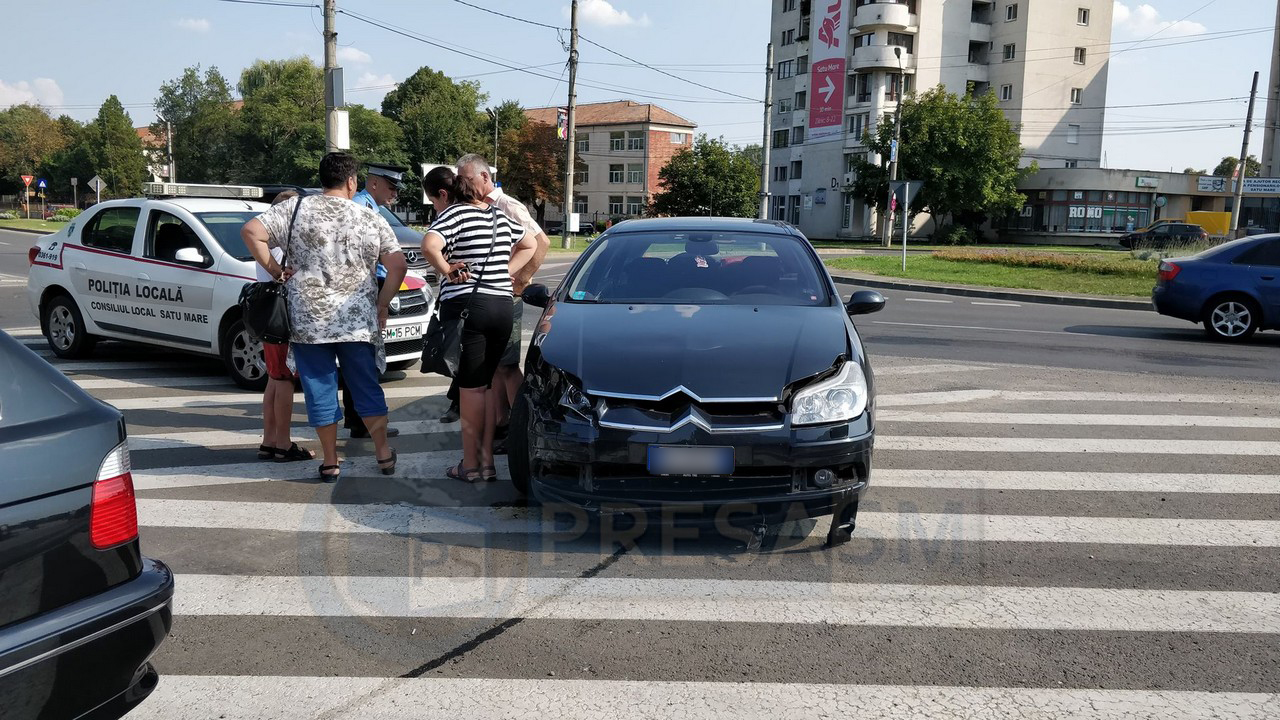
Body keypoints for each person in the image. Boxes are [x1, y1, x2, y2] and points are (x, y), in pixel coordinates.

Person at [241, 152, 407, 482]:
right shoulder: (368, 217)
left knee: (320, 389)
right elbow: (398, 265)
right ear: (351, 181)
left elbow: (251, 232)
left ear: (322, 180)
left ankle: (331, 462)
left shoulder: (294, 209)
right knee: (365, 386)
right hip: (356, 320)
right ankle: (383, 453)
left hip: (309, 321)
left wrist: (275, 270)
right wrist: (383, 303)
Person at [421, 165, 536, 482]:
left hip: (468, 307)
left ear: (454, 193)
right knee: (485, 387)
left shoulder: (454, 215)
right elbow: (531, 244)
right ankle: (486, 464)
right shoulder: (500, 217)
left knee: (470, 390)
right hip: (502, 306)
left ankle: (470, 465)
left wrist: (447, 268)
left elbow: (429, 245)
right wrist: (505, 272)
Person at [442, 154, 551, 447]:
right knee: (494, 371)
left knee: (505, 367)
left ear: (485, 177)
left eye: (466, 179)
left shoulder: (506, 206)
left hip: (501, 296)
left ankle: (520, 429)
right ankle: (502, 426)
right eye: (459, 179)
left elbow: (540, 242)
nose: (461, 184)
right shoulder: (475, 207)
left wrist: (518, 278)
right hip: (490, 296)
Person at [343, 161, 409, 439]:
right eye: (391, 187)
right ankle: (362, 420)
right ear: (373, 184)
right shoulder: (362, 208)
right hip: (362, 290)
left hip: (368, 288)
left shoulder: (372, 207)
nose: (395, 193)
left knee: (361, 359)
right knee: (363, 360)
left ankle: (358, 419)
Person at [255, 189, 314, 463]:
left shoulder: (266, 239)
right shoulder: (282, 240)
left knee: (274, 379)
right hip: (284, 315)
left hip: (270, 314)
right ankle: (283, 443)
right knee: (284, 380)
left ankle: (269, 440)